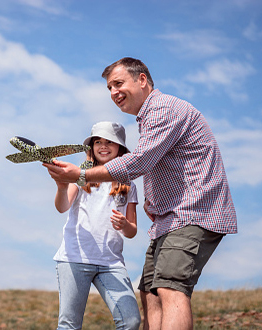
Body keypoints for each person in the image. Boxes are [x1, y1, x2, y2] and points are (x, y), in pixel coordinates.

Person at [43, 57, 238, 330]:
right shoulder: (147, 118)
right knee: (150, 291)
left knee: (170, 288)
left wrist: (81, 174)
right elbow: (160, 164)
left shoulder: (162, 108)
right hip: (168, 221)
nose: (113, 92)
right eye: (109, 87)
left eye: (119, 83)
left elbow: (139, 162)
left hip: (192, 214)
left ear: (142, 80)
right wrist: (153, 201)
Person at [46, 121, 141, 330]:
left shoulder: (129, 184)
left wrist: (124, 224)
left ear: (120, 148)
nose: (103, 146)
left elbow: (132, 230)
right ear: (91, 147)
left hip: (111, 263)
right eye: (98, 141)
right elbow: (62, 207)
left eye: (109, 142)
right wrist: (62, 187)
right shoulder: (79, 176)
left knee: (131, 321)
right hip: (74, 259)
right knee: (69, 324)